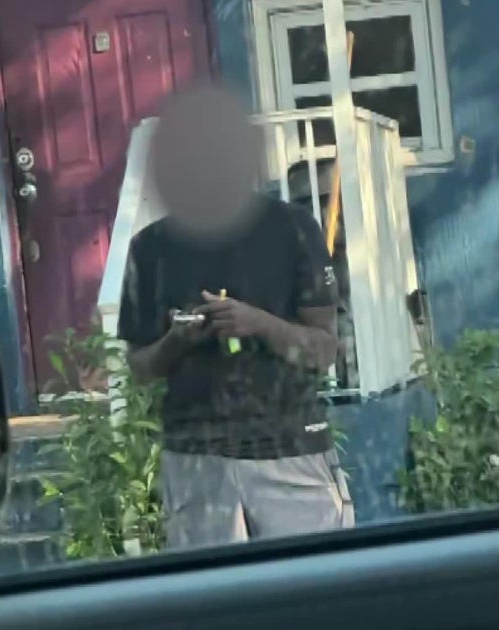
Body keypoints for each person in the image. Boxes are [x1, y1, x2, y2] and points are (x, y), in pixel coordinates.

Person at [116, 86, 354, 548]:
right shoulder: (149, 249)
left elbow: (324, 350)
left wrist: (257, 323)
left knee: (315, 585)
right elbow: (139, 368)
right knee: (210, 592)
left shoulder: (293, 231)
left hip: (289, 451)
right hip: (196, 461)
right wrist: (177, 339)